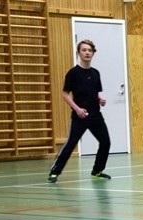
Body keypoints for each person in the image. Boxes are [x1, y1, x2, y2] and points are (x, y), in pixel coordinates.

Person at [48, 39, 111, 184]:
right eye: (84, 50)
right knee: (70, 144)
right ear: (78, 53)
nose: (87, 52)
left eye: (90, 50)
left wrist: (100, 99)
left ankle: (97, 170)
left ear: (93, 53)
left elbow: (94, 92)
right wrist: (77, 109)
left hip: (96, 115)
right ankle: (54, 172)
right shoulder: (73, 73)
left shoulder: (95, 73)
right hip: (79, 116)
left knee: (105, 142)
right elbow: (65, 94)